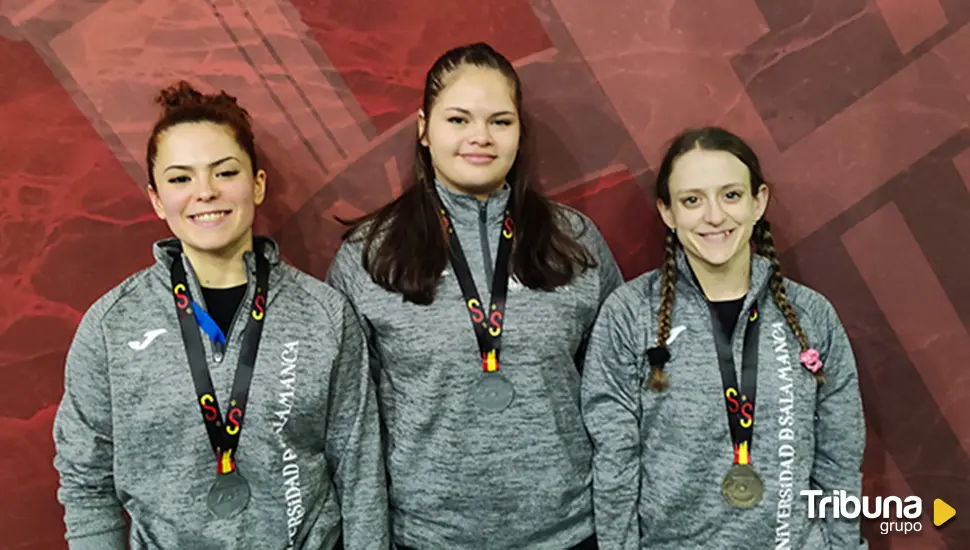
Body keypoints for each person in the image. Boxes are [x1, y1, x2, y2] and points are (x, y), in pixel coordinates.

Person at [53, 81, 389, 549]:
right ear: (155, 198)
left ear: (257, 184)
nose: (204, 192)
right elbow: (86, 483)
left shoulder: (325, 315)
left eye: (224, 172)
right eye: (180, 178)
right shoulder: (111, 327)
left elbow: (359, 472)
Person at [326, 42, 623, 549]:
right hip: (425, 538)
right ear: (424, 128)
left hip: (567, 533)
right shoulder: (368, 255)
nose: (480, 138)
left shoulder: (575, 241)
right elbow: (349, 429)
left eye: (500, 121)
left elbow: (616, 396)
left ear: (519, 132)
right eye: (458, 119)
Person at [581, 127, 867, 549]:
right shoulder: (629, 314)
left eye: (731, 195)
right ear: (667, 212)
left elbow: (840, 460)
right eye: (692, 200)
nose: (714, 216)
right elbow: (615, 465)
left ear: (759, 201)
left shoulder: (812, 317)